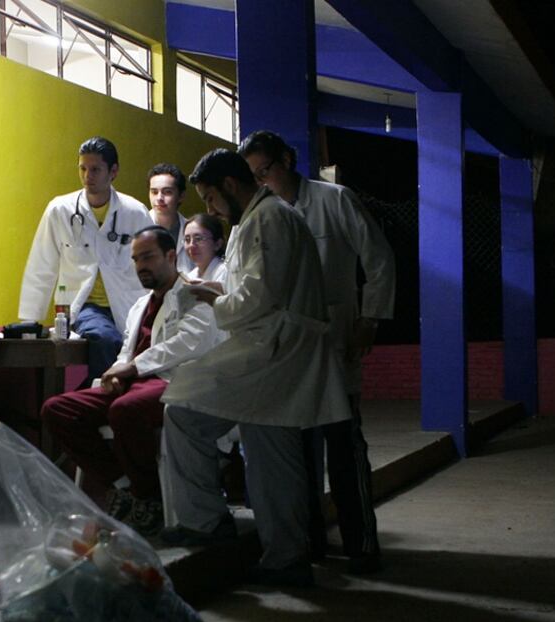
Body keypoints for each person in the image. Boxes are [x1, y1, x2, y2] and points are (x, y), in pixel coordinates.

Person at [159, 149, 350, 587]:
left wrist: (213, 298)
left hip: (276, 351)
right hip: (274, 349)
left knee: (186, 408)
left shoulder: (270, 219)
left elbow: (260, 297)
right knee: (269, 456)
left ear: (229, 185)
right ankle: (283, 555)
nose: (209, 210)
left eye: (209, 198)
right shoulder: (261, 219)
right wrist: (219, 289)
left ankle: (214, 524)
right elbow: (257, 286)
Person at [239, 130, 395, 573]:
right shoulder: (261, 217)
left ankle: (362, 546)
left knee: (345, 446)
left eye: (265, 170)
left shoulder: (334, 201)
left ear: (288, 159)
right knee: (299, 453)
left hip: (336, 338)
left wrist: (369, 319)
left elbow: (379, 259)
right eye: (253, 176)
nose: (262, 181)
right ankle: (311, 547)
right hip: (290, 348)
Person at [41, 226, 219, 536]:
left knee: (125, 410)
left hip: (172, 381)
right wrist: (115, 372)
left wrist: (133, 368)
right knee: (58, 409)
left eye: (148, 257)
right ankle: (123, 485)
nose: (140, 266)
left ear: (169, 256)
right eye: (136, 259)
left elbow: (191, 342)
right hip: (135, 381)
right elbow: (127, 350)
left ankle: (147, 495)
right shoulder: (141, 305)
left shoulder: (195, 294)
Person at [19, 137, 152, 383]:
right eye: (82, 168)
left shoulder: (135, 212)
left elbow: (154, 263)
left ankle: (94, 396)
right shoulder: (60, 209)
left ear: (113, 171)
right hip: (84, 306)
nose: (87, 176)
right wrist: (30, 320)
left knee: (146, 346)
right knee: (106, 339)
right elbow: (42, 264)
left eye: (95, 169)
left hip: (129, 304)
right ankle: (98, 399)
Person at [147, 163, 195, 274]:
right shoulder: (136, 227)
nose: (159, 198)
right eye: (154, 192)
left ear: (181, 196)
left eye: (167, 192)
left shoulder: (192, 231)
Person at [181, 213, 228, 284]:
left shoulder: (226, 273)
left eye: (198, 239)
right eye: (187, 240)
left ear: (218, 244)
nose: (191, 245)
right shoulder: (190, 277)